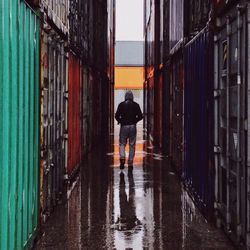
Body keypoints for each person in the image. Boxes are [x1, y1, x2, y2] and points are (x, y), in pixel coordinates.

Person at [115, 90, 143, 170]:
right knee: (132, 145)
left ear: (125, 96)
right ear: (132, 97)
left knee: (122, 143)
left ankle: (122, 158)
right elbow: (141, 116)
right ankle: (130, 163)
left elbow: (116, 116)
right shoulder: (136, 105)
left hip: (124, 126)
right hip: (133, 126)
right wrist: (135, 121)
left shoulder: (121, 105)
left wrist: (120, 121)